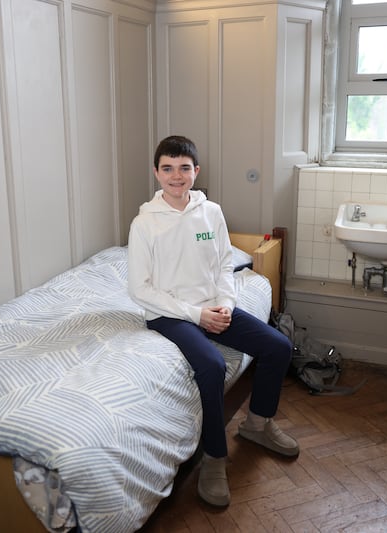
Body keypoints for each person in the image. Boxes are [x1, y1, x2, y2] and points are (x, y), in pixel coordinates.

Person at [127, 135, 298, 507]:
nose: (177, 176)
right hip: (170, 314)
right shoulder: (145, 224)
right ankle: (214, 457)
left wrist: (225, 303)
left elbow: (224, 262)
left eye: (184, 168)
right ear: (157, 173)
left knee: (278, 347)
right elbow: (139, 290)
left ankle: (257, 424)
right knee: (211, 365)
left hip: (213, 305)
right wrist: (196, 314)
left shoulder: (212, 213)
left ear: (196, 171)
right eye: (168, 169)